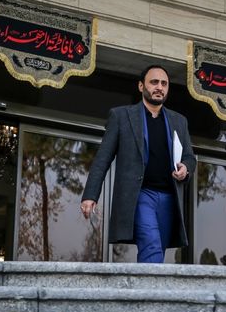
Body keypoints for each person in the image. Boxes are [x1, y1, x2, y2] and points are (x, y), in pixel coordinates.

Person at [81, 65, 196, 263]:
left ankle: (145, 283)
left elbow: (190, 158)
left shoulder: (179, 121)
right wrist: (90, 195)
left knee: (157, 250)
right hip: (141, 195)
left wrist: (185, 168)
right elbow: (102, 158)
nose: (159, 87)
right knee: (151, 246)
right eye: (154, 82)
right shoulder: (121, 116)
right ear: (141, 86)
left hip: (170, 198)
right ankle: (152, 284)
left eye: (164, 84)